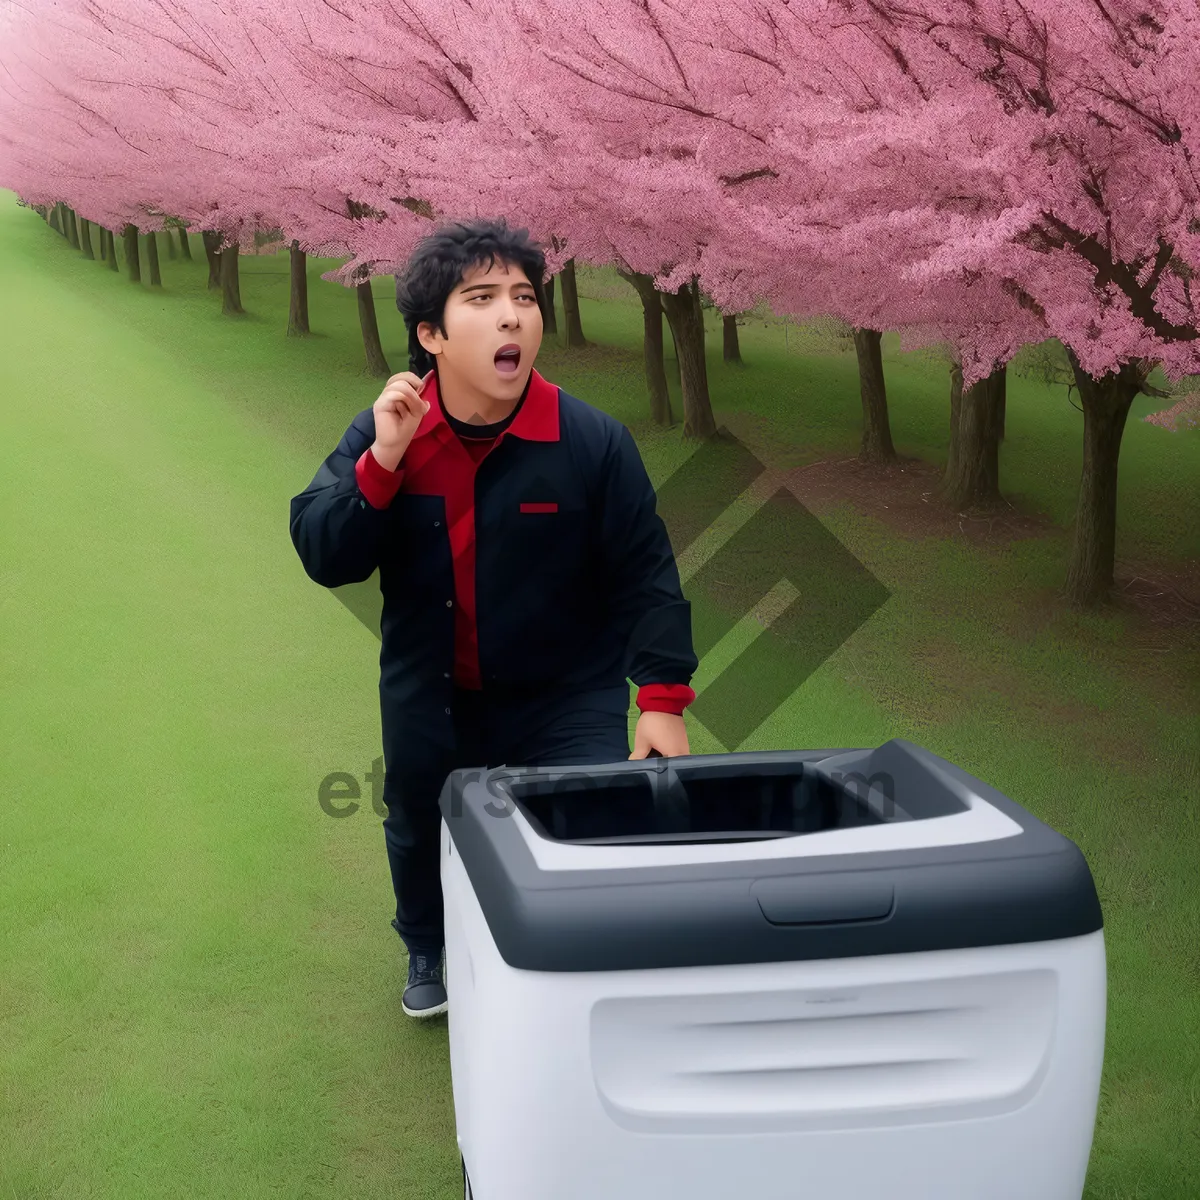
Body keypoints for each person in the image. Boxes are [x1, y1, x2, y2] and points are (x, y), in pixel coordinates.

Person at [289, 216, 698, 1019]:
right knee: (416, 822)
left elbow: (645, 573)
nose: (513, 315)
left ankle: (567, 960)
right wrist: (383, 461)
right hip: (430, 689)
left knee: (584, 822)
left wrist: (660, 699)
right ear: (432, 334)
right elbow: (324, 550)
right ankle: (425, 943)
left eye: (524, 296)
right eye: (482, 299)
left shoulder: (591, 442)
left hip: (564, 691)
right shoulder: (389, 433)